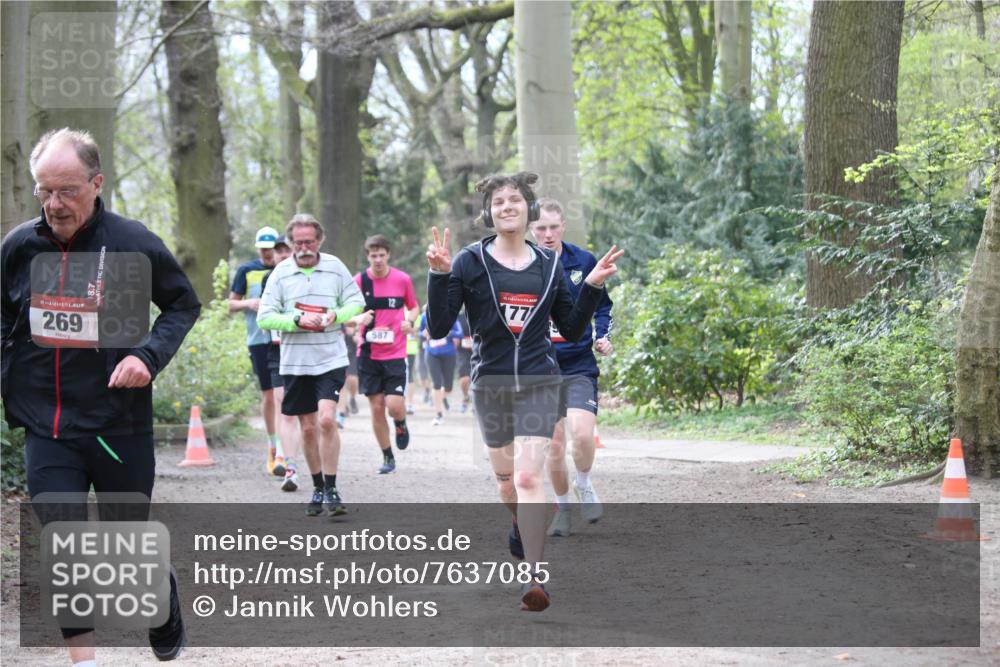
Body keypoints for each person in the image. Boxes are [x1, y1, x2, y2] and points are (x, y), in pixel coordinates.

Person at [1, 128, 199, 663]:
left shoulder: (134, 243)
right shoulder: (19, 246)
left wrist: (147, 357)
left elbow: (183, 306)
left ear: (96, 183)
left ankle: (162, 600)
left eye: (66, 190)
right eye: (44, 191)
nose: (53, 204)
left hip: (117, 426)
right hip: (48, 427)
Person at [425, 171, 622, 612]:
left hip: (539, 379)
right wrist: (438, 276)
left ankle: (533, 577)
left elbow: (571, 328)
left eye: (515, 199)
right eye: (499, 202)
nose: (507, 206)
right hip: (490, 383)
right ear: (489, 212)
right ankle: (520, 522)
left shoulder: (550, 265)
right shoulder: (469, 261)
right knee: (507, 484)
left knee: (530, 477)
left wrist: (591, 287)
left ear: (528, 209)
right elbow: (439, 327)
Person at [257, 214, 365, 516]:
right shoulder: (280, 273)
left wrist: (336, 316)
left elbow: (356, 303)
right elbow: (264, 317)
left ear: (319, 240)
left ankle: (332, 487)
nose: (304, 247)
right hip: (295, 362)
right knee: (307, 428)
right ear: (291, 243)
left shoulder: (334, 266)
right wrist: (295, 319)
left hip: (330, 357)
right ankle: (317, 486)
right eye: (298, 242)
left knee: (327, 420)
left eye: (310, 241)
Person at [529, 198, 614, 537]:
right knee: (554, 444)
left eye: (553, 227)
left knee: (581, 435)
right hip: (540, 366)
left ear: (562, 226)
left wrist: (603, 336)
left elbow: (603, 306)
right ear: (531, 230)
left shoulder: (583, 261)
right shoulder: (524, 265)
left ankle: (584, 483)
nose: (547, 234)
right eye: (540, 228)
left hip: (578, 363)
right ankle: (562, 511)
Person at [352, 234, 419, 475]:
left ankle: (400, 424)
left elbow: (413, 306)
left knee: (394, 406)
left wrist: (409, 320)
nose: (378, 260)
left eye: (382, 255)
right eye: (373, 256)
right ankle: (387, 456)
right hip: (368, 354)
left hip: (395, 353)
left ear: (388, 255)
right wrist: (358, 319)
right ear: (367, 256)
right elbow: (346, 314)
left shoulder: (402, 279)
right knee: (377, 407)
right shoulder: (359, 281)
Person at [229, 224, 287, 476]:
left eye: (270, 249)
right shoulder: (247, 270)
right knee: (269, 394)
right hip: (258, 339)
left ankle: (287, 445)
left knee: (283, 393)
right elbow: (230, 304)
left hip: (287, 339)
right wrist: (248, 303)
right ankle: (273, 443)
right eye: (262, 249)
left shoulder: (287, 269)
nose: (266, 254)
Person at [259, 235, 302, 491]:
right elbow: (265, 316)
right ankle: (287, 463)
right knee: (281, 400)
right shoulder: (268, 279)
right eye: (279, 252)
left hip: (306, 351)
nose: (283, 255)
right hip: (276, 349)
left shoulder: (308, 277)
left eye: (287, 250)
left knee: (308, 415)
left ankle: (301, 454)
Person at [418, 309, 463, 425]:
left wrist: (449, 333)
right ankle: (438, 414)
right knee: (436, 383)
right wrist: (424, 334)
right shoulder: (425, 316)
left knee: (448, 387)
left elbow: (460, 333)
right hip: (432, 353)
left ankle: (440, 397)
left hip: (449, 354)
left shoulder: (450, 315)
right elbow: (420, 333)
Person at [336, 322, 360, 429]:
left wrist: (354, 332)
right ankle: (341, 411)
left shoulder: (353, 312)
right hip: (336, 352)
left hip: (351, 351)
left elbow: (357, 336)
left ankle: (352, 399)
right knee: (341, 383)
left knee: (351, 379)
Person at [456, 309, 473, 412]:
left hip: (479, 351)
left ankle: (476, 403)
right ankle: (466, 397)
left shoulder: (481, 312)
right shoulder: (459, 317)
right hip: (463, 352)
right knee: (464, 380)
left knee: (477, 379)